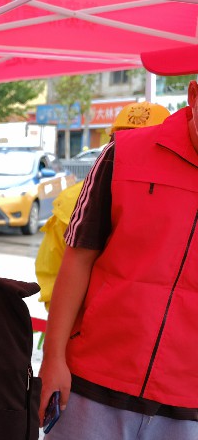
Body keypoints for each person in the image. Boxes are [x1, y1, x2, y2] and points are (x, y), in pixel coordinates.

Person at [24, 86, 198, 440]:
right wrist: (54, 358)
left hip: (188, 404)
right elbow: (77, 259)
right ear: (194, 95)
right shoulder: (124, 155)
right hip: (95, 381)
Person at [34, 102, 170, 309]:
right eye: (128, 144)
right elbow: (53, 273)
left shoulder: (180, 200)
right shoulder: (73, 199)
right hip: (94, 329)